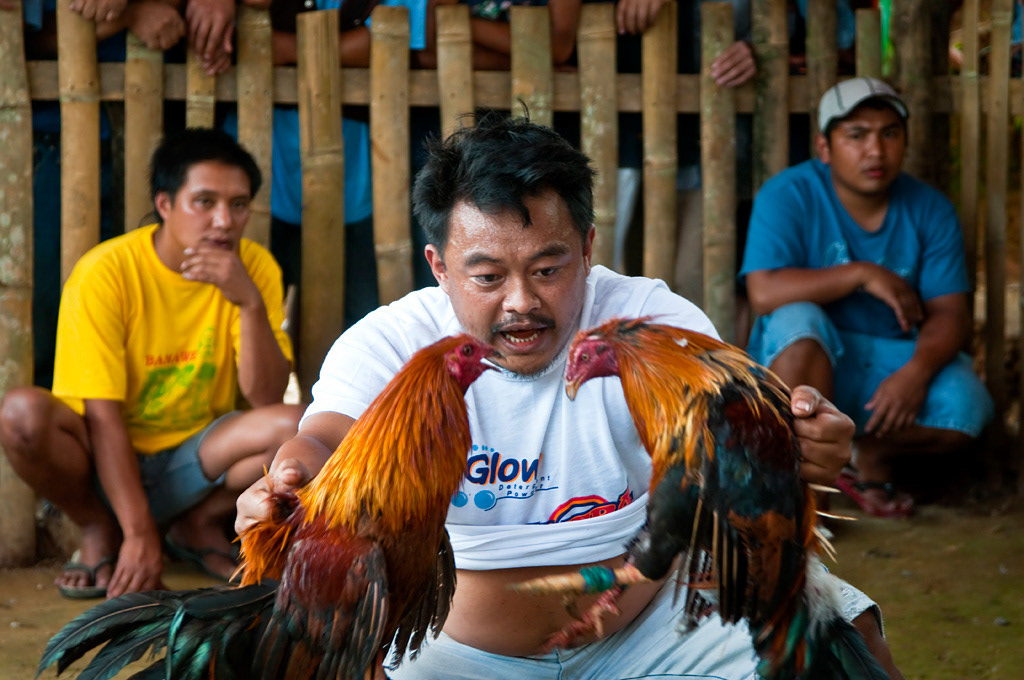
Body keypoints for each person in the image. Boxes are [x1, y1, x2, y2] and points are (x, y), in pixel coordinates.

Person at [236, 113, 903, 679]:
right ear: (440, 265)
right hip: (449, 652)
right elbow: (324, 435)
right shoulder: (389, 342)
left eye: (548, 269)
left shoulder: (651, 321)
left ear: (587, 249)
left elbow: (738, 436)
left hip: (653, 631)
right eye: (489, 275)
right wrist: (292, 476)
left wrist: (801, 442)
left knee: (846, 633)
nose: (522, 301)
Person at [0, 129, 304, 600]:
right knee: (20, 414)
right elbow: (101, 414)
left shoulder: (254, 266)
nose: (224, 220)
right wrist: (139, 533)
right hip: (101, 462)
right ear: (164, 204)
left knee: (295, 424)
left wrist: (248, 305)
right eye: (204, 201)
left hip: (194, 460)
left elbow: (266, 397)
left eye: (239, 204)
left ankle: (196, 523)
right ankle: (100, 529)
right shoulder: (107, 272)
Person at [739, 78, 993, 519]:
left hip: (882, 368)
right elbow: (764, 292)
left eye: (889, 133)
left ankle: (864, 455)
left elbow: (951, 313)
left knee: (966, 407)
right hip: (802, 358)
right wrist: (860, 274)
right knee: (798, 320)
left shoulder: (928, 208)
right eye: (856, 135)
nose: (875, 151)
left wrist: (916, 372)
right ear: (824, 146)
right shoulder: (787, 194)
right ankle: (800, 499)